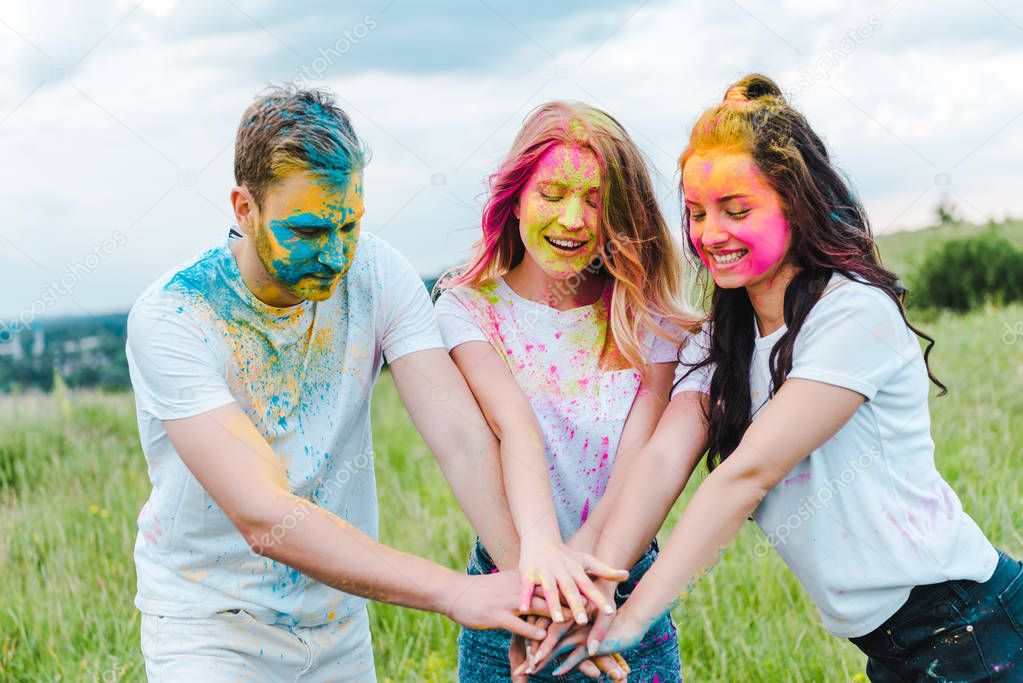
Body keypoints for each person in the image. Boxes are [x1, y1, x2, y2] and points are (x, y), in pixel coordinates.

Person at [539, 73, 1023, 682]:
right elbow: (662, 462)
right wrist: (594, 593)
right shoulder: (721, 342)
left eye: (736, 210)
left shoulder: (853, 314)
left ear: (794, 203)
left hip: (974, 625)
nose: (710, 234)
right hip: (896, 648)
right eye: (695, 214)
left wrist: (630, 621)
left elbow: (745, 476)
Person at [126, 85, 561, 682]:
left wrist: (537, 603)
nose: (334, 255)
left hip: (338, 625)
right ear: (243, 208)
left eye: (348, 226)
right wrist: (455, 593)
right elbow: (263, 516)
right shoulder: (175, 317)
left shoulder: (379, 273)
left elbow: (460, 441)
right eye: (306, 232)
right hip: (209, 625)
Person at [435, 100, 701, 682]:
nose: (573, 218)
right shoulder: (469, 310)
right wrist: (541, 569)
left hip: (621, 591)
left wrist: (576, 585)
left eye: (596, 200)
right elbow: (513, 426)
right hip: (508, 592)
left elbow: (637, 461)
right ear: (518, 197)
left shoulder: (647, 316)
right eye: (552, 194)